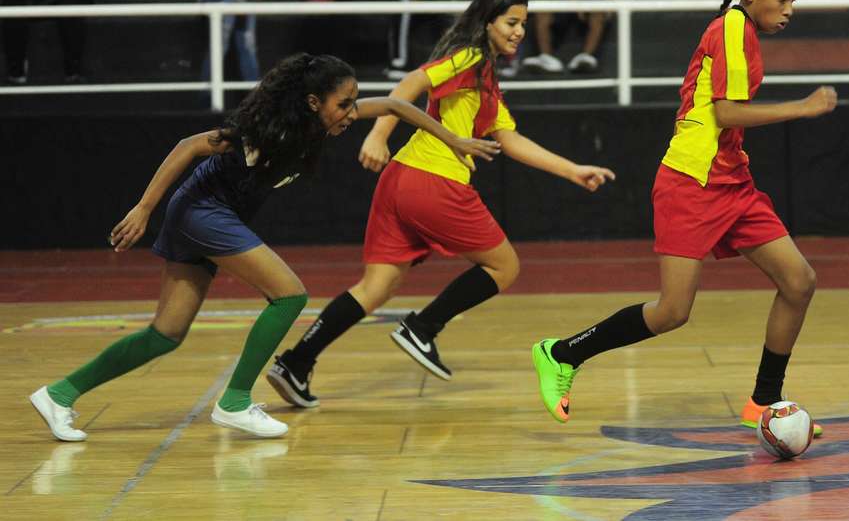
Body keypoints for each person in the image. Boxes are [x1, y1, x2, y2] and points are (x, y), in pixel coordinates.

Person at [28, 52, 500, 442]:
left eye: (354, 102)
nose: (351, 112)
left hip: (205, 214)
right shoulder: (266, 131)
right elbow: (189, 145)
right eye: (344, 104)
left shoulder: (324, 121)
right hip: (201, 211)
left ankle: (59, 395)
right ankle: (235, 401)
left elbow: (397, 105)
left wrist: (452, 139)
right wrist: (143, 208)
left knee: (165, 334)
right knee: (289, 295)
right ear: (313, 102)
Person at [266, 0, 615, 408]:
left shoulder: (484, 78)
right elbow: (411, 82)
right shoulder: (470, 57)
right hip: (435, 181)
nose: (520, 31)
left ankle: (296, 362)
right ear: (487, 22)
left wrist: (572, 170)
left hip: (400, 180)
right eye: (511, 22)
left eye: (524, 23)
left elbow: (509, 140)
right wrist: (378, 135)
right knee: (504, 266)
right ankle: (423, 328)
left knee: (376, 287)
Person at [530, 0, 837, 437]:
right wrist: (802, 107)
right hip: (690, 182)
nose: (789, 10)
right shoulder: (732, 27)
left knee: (799, 281)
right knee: (672, 312)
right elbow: (726, 113)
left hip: (732, 181)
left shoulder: (742, 30)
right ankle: (562, 353)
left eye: (793, 1)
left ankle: (764, 400)